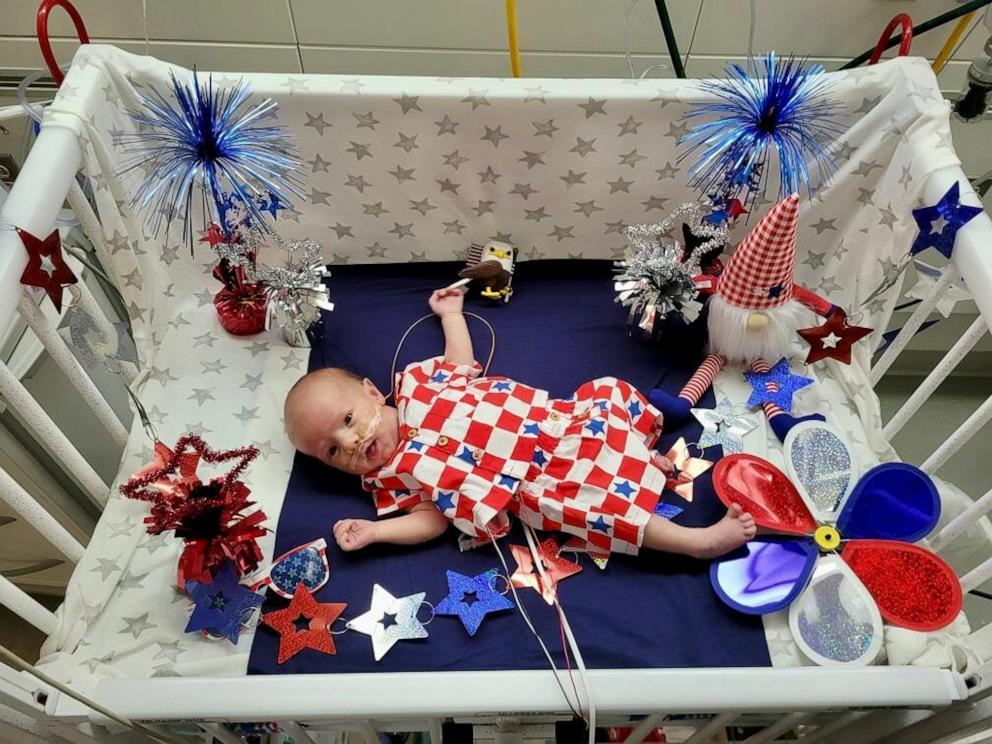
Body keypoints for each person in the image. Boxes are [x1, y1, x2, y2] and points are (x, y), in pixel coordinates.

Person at [285, 286, 756, 559]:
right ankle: (695, 542)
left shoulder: (419, 383)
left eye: (347, 419)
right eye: (331, 450)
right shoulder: (388, 479)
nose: (350, 441)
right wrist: (376, 532)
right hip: (540, 484)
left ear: (372, 392)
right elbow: (433, 520)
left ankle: (642, 458)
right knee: (603, 512)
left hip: (555, 425)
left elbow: (461, 361)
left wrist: (451, 314)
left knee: (608, 396)